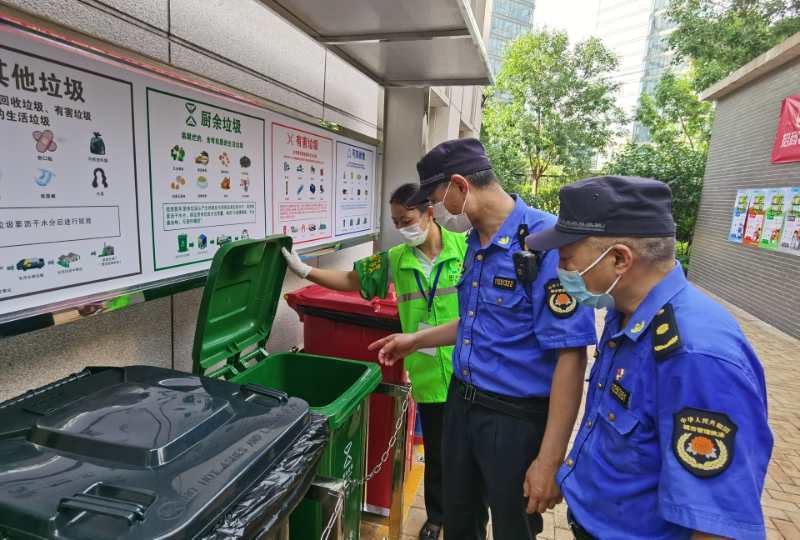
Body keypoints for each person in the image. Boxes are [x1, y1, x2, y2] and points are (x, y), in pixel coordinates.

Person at [368, 138, 597, 539]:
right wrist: (413, 340)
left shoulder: (545, 243)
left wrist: (549, 459)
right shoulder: (475, 241)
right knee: (459, 518)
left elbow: (571, 357)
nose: (438, 210)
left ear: (460, 185)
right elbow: (478, 323)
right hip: (461, 402)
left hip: (514, 417)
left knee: (513, 526)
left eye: (438, 198)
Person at [524, 175, 773, 539]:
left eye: (567, 260)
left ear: (619, 260)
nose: (561, 274)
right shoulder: (627, 313)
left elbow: (716, 522)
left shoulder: (696, 356)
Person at [282, 183, 466, 540]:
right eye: (397, 222)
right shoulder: (396, 259)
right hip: (430, 373)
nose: (403, 228)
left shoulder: (465, 249)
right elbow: (352, 279)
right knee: (440, 455)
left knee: (469, 453)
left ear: (429, 212)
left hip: (469, 369)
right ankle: (438, 517)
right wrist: (305, 272)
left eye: (408, 219)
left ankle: (468, 517)